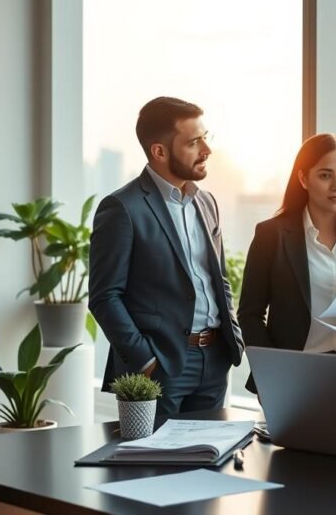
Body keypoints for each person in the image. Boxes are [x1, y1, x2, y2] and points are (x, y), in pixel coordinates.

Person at [89, 96, 245, 417]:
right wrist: (144, 360)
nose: (206, 150)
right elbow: (105, 297)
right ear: (159, 151)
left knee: (208, 461)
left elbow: (219, 279)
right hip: (159, 368)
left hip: (215, 362)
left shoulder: (207, 203)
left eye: (206, 137)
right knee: (155, 465)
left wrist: (233, 337)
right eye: (193, 142)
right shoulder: (122, 208)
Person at [238, 133, 336, 392]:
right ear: (304, 178)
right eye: (325, 175)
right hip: (293, 371)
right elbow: (249, 314)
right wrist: (271, 368)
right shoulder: (272, 234)